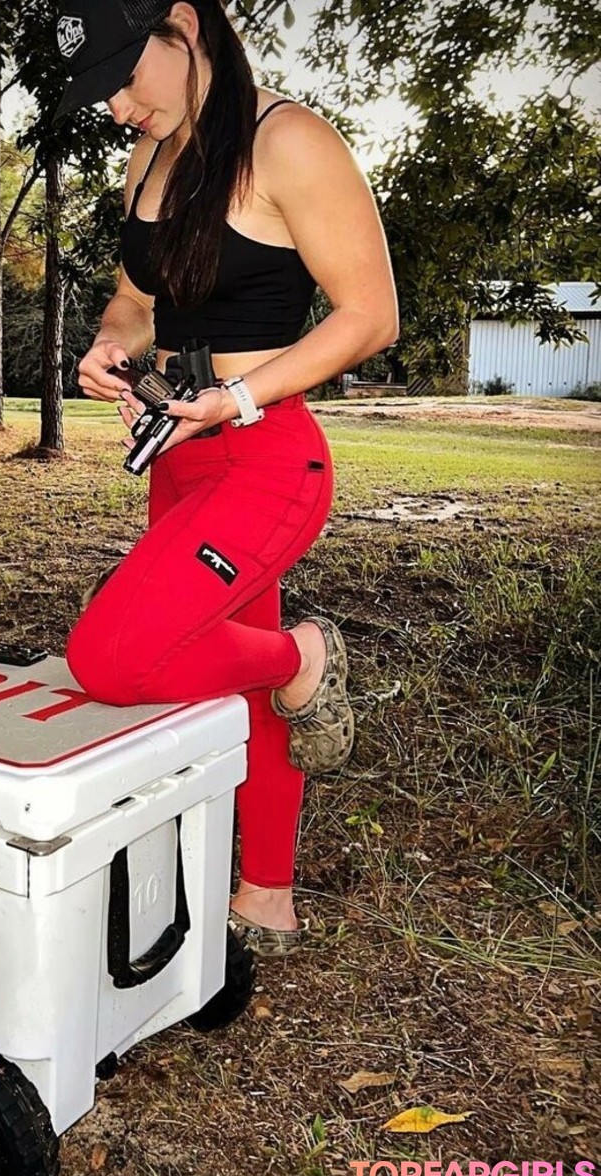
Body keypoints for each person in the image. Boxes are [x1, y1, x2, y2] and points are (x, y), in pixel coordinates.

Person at [54, 0, 398, 955]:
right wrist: (111, 346)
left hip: (266, 453)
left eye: (126, 77)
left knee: (112, 658)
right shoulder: (151, 157)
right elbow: (136, 299)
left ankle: (303, 657)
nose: (119, 108)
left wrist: (238, 395)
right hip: (180, 451)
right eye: (103, 93)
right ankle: (267, 895)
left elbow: (371, 314)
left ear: (182, 24)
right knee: (222, 667)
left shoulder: (288, 142)